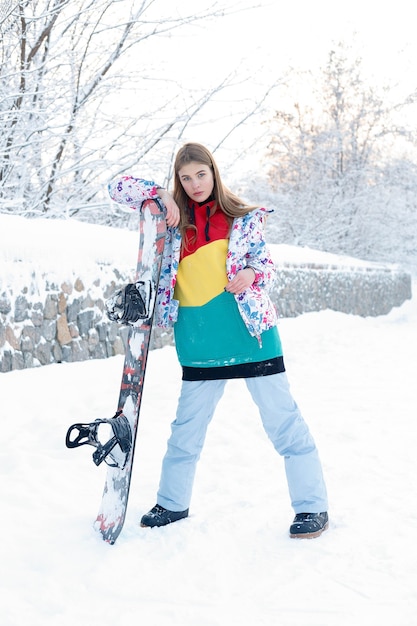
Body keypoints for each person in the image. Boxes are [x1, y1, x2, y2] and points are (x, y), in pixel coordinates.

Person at [108, 142, 329, 539]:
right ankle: (172, 502)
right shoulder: (169, 220)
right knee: (186, 430)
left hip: (250, 334)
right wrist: (159, 194)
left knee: (283, 423)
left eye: (201, 174)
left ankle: (312, 507)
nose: (194, 184)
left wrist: (251, 274)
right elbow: (116, 187)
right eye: (185, 177)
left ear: (214, 172)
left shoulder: (242, 218)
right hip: (198, 340)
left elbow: (265, 263)